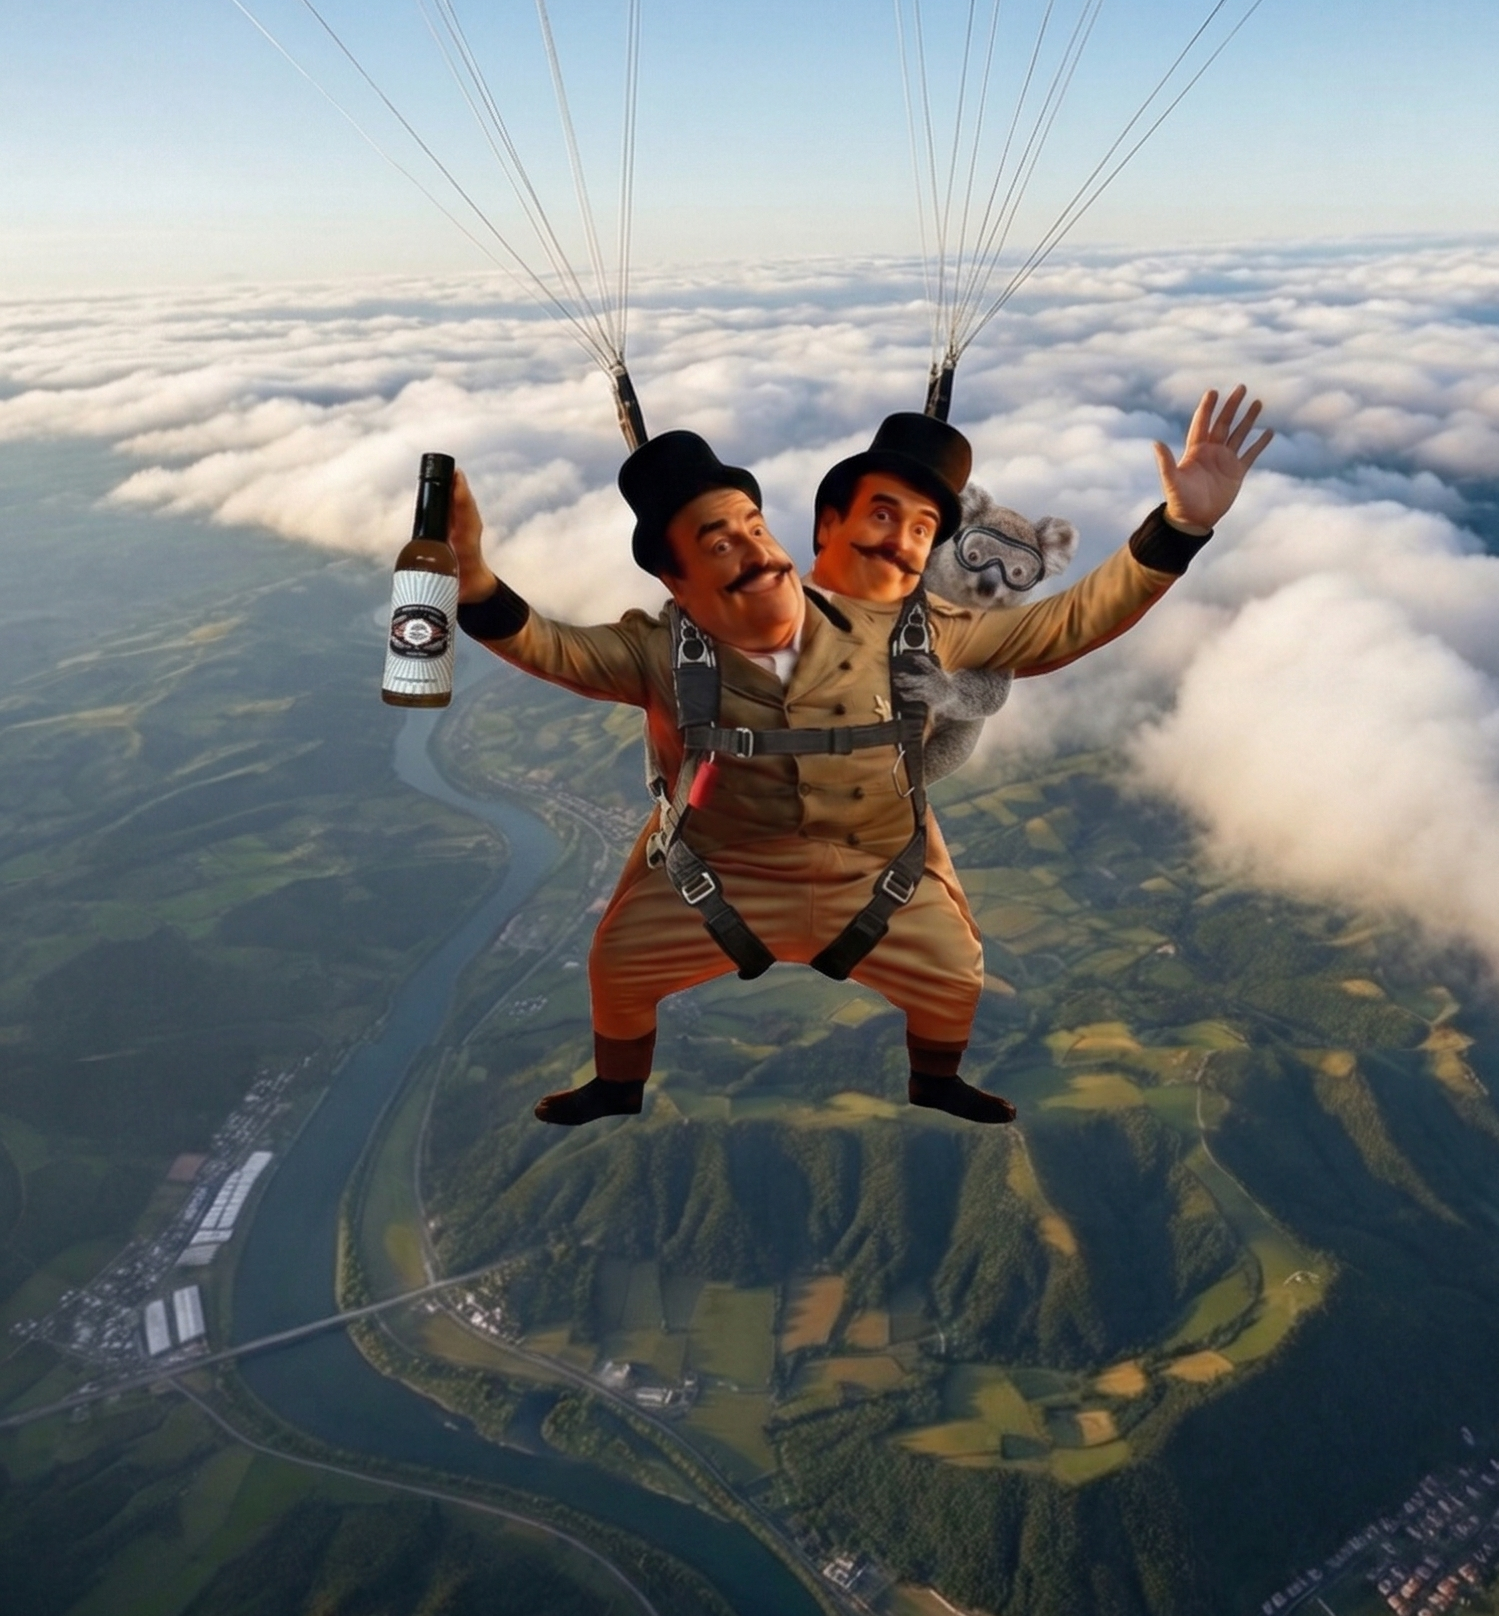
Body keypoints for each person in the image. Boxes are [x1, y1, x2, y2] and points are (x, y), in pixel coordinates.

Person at [450, 388, 1270, 1128]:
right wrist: (476, 580)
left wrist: (1179, 528)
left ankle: (935, 1079)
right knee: (620, 962)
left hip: (879, 871)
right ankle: (617, 1084)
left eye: (754, 529)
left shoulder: (926, 630)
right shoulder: (660, 649)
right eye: (720, 543)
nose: (754, 551)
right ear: (676, 576)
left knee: (954, 969)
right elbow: (546, 645)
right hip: (719, 870)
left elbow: (1065, 624)